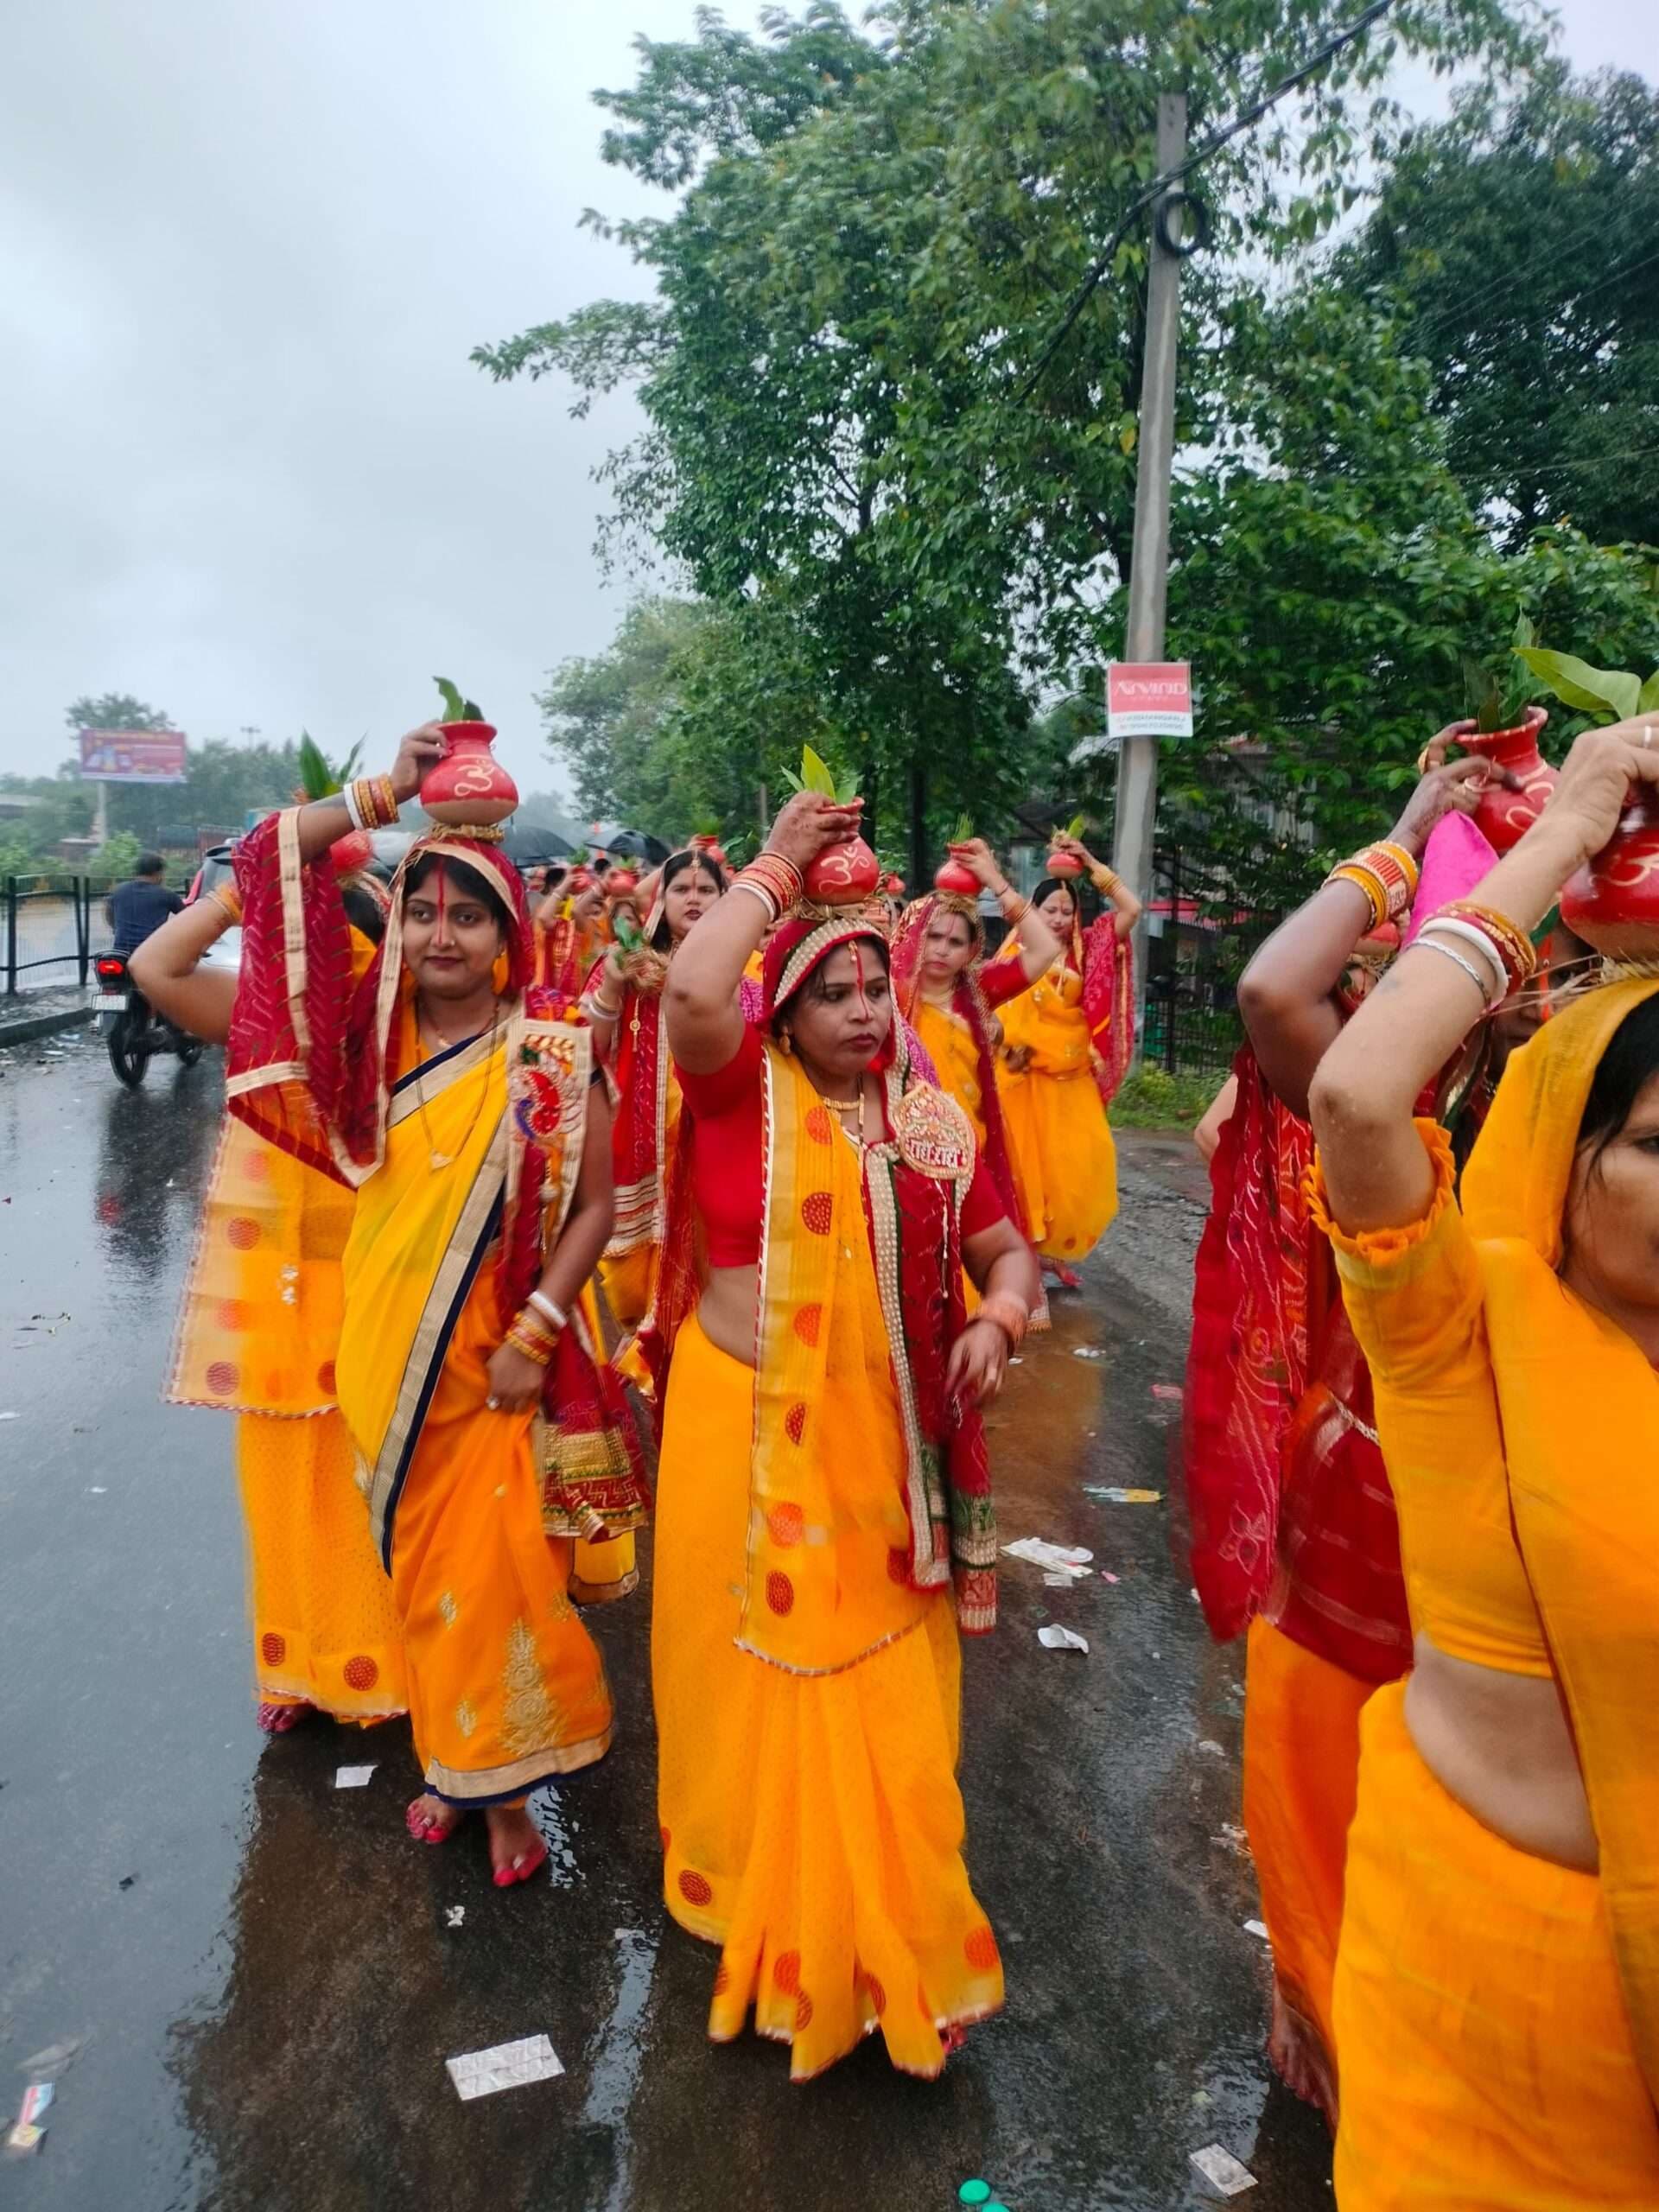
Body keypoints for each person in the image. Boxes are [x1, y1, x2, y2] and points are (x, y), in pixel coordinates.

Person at [1306, 718, 1659, 2206]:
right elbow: (1356, 1096)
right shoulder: (1463, 1327)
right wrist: (1567, 829)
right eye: (1656, 1147)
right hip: (1476, 1999)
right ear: (1565, 1151)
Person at [637, 792, 1041, 2081]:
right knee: (740, 1666)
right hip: (741, 1429)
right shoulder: (739, 1096)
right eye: (833, 992)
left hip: (877, 1439)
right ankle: (762, 1892)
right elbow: (693, 988)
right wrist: (775, 865)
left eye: (877, 986)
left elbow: (1006, 1251)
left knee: (876, 1676)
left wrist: (1002, 1319)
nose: (865, 1010)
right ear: (786, 1008)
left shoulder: (928, 1123)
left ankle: (882, 1927)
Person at [224, 727, 648, 1885]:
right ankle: (463, 1765)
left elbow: (595, 1211)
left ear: (511, 936)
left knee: (493, 1580)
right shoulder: (362, 1044)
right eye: (420, 912)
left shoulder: (553, 1055)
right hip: (382, 1350)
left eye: (469, 915)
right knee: (417, 1579)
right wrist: (384, 793)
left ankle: (493, 1788)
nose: (441, 935)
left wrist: (536, 1335)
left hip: (495, 1364)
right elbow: (266, 860)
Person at [1185, 753, 1506, 2124]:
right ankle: (1311, 1990)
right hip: (1355, 1503)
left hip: (1524, 1535)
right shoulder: (1394, 1115)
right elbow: (1273, 992)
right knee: (1315, 1788)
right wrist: (1409, 835)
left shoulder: (1609, 1118)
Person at [133, 870, 409, 1736]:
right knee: (285, 1491)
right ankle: (296, 1667)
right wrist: (247, 886)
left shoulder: (408, 1025)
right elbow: (154, 968)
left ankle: (373, 1665)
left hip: (378, 1293)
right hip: (283, 1305)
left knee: (363, 1492)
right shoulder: (264, 1023)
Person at [582, 846, 724, 1340]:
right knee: (633, 1291)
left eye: (706, 890)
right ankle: (649, 1349)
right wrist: (612, 989)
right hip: (642, 1142)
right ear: (661, 899)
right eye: (681, 889)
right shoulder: (629, 963)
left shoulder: (743, 965)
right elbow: (584, 1047)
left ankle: (695, 1351)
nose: (694, 899)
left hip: (716, 1139)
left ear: (724, 899)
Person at [888, 836, 1063, 1235]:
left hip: (968, 1149)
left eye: (955, 942)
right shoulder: (891, 992)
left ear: (971, 951)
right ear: (916, 937)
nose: (941, 950)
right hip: (903, 1147)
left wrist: (994, 881)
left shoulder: (979, 990)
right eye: (934, 937)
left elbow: (1044, 948)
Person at [994, 829, 1141, 1286]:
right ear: (1032, 911)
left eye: (1066, 911)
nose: (1058, 919)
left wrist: (1090, 862)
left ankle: (1052, 1248)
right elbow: (999, 1010)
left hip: (1071, 1080)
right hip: (1023, 1076)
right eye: (1049, 910)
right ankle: (1024, 1252)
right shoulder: (1018, 953)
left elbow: (1131, 909)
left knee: (1076, 1170)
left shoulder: (1090, 949)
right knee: (1024, 1167)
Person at [108, 851, 182, 955]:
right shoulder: (166, 895)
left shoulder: (118, 890)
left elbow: (109, 913)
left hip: (120, 952)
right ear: (158, 873)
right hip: (152, 953)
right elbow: (188, 918)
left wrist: (116, 928)